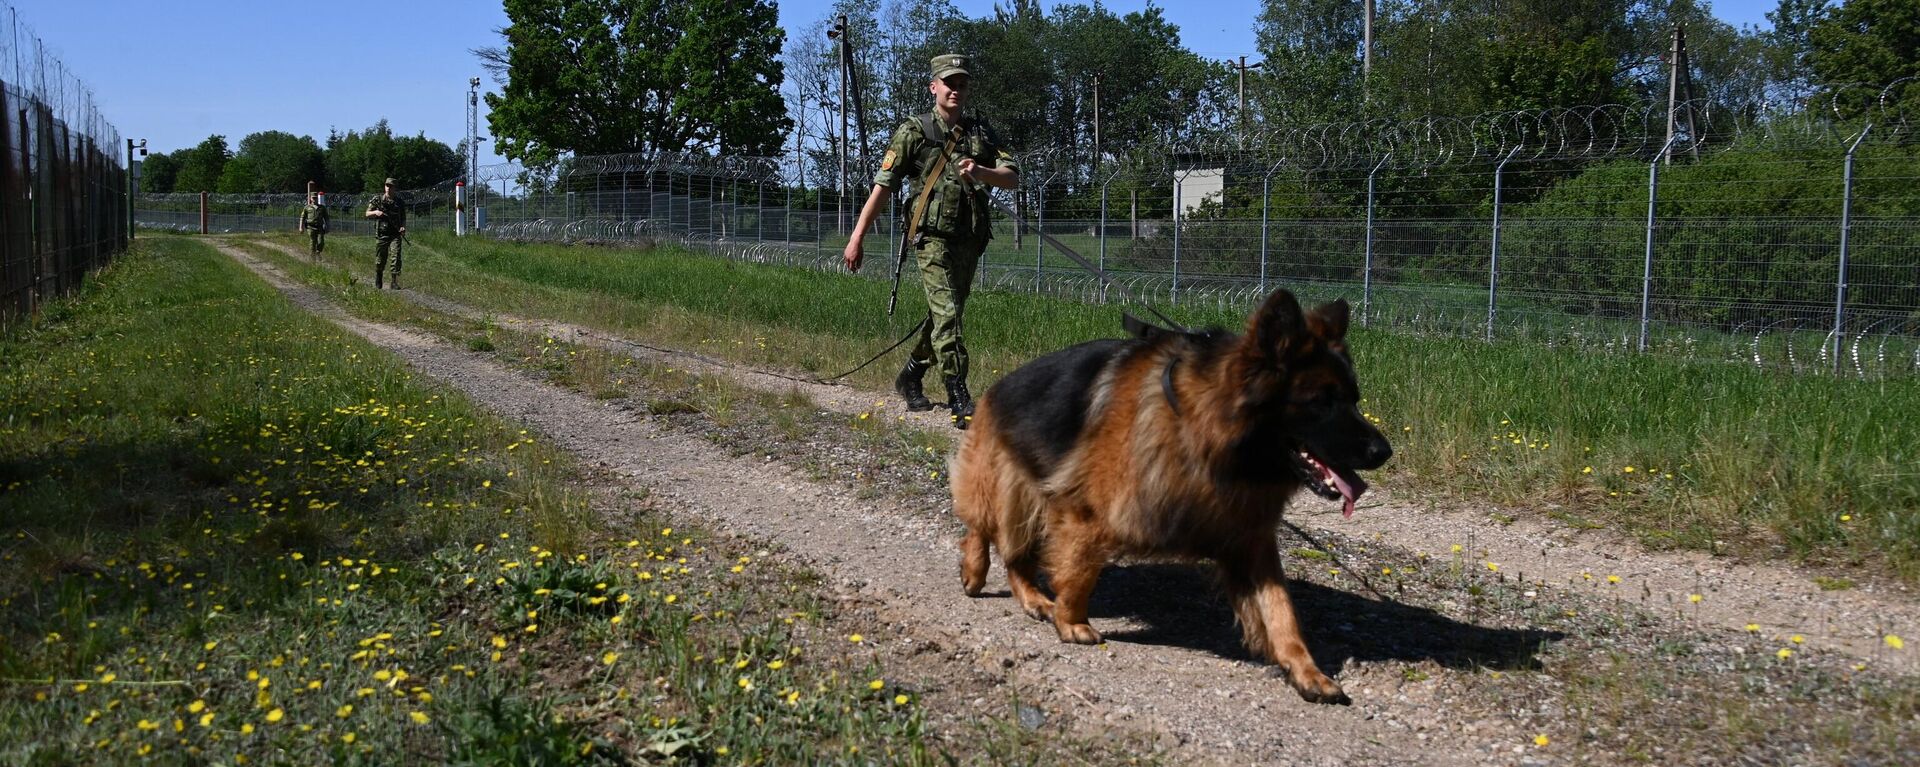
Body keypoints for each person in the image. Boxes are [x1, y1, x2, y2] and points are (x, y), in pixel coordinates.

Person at [843, 53, 1020, 429]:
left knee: (946, 314)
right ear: (934, 87)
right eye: (949, 82)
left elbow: (1011, 176)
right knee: (949, 315)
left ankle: (911, 373)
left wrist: (982, 170)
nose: (956, 89)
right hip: (931, 239)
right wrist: (857, 238)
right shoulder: (915, 131)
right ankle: (959, 394)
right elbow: (882, 188)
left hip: (970, 239)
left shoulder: (981, 133)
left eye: (962, 84)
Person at [363, 178, 408, 289]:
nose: (388, 188)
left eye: (391, 186)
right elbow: (367, 213)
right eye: (387, 185)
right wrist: (376, 212)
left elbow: (403, 218)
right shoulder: (378, 200)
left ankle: (394, 282)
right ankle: (379, 277)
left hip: (395, 234)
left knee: (396, 257)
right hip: (382, 234)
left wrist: (403, 227)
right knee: (380, 259)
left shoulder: (399, 203)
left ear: (395, 188)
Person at [298, 191, 330, 256]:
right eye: (313, 198)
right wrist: (301, 227)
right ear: (310, 198)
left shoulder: (322, 208)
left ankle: (318, 252)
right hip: (310, 227)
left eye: (315, 198)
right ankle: (312, 257)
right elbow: (302, 217)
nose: (314, 199)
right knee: (313, 241)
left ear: (317, 198)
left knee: (321, 242)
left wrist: (328, 227)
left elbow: (326, 218)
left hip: (320, 227)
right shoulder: (307, 207)